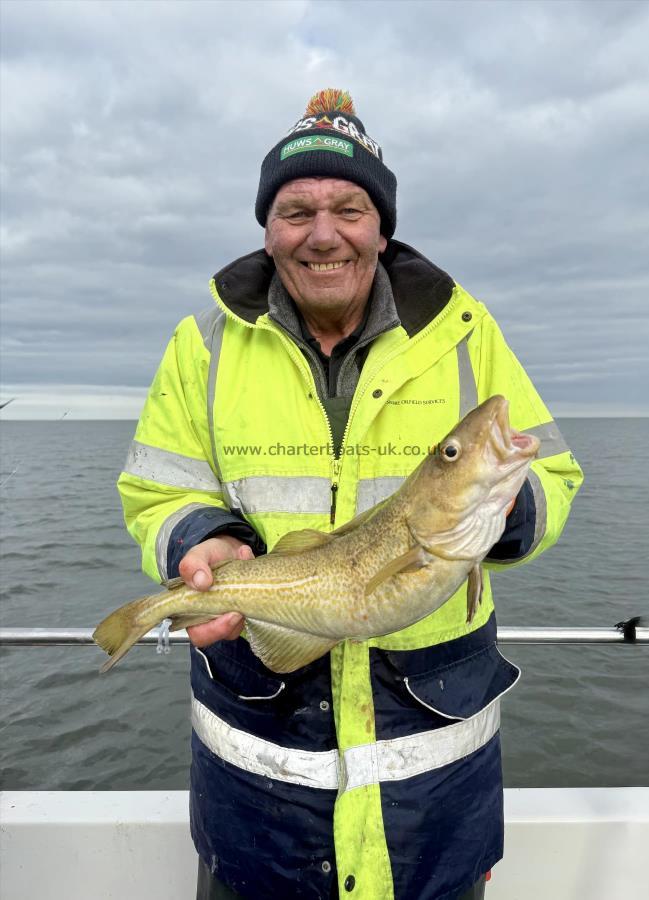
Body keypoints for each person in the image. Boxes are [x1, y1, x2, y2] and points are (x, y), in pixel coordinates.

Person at [118, 89, 583, 900]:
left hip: (431, 795)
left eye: (349, 207)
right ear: (268, 228)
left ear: (381, 225)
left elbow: (554, 470)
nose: (323, 233)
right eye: (296, 210)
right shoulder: (203, 343)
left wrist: (510, 512)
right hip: (256, 778)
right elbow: (158, 486)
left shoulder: (467, 332)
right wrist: (201, 539)